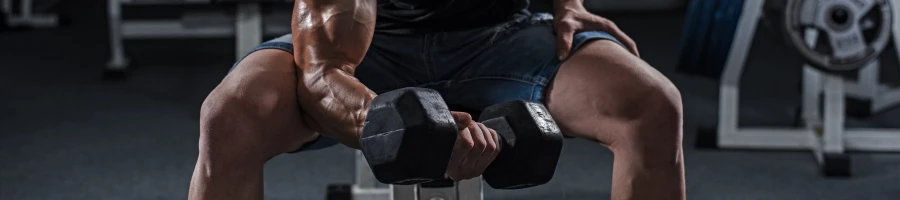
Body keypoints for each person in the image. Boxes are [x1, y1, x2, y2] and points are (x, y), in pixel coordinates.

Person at [188, 0, 685, 199]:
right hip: (369, 49)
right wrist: (400, 129)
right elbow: (322, 77)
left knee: (652, 104)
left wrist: (569, 3)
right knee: (231, 115)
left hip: (506, 41)